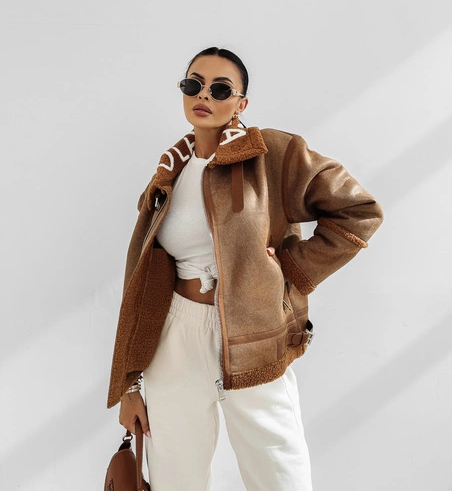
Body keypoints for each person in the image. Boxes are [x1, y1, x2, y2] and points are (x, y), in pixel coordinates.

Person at [107, 47, 383, 491]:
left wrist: (290, 268)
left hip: (254, 335)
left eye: (221, 89)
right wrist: (130, 385)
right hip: (174, 337)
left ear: (241, 103)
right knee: (176, 479)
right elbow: (139, 284)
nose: (204, 95)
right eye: (193, 84)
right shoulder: (169, 173)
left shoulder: (272, 153)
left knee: (280, 474)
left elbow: (359, 211)